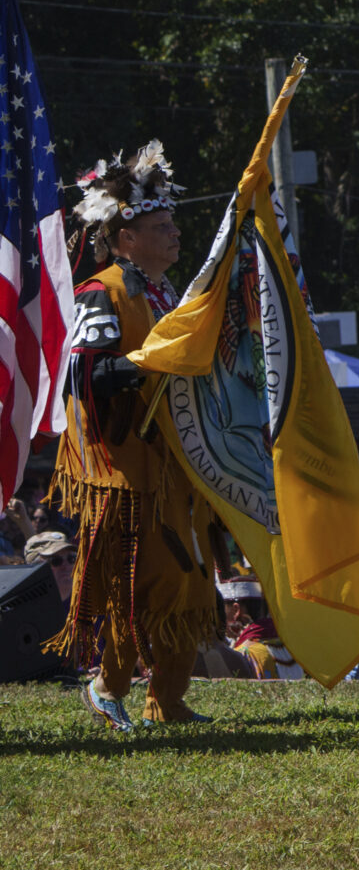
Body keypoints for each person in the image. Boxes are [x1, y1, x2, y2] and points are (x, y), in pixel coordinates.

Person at [51, 142, 222, 729]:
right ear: (126, 238)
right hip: (124, 470)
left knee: (193, 580)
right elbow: (86, 376)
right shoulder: (103, 292)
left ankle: (166, 701)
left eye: (174, 223)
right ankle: (107, 685)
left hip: (177, 465)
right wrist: (150, 362)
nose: (176, 234)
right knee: (144, 582)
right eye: (162, 225)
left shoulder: (167, 295)